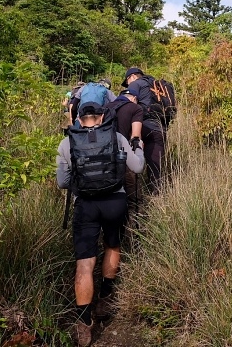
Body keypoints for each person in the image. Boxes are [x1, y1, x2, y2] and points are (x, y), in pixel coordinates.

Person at [55, 101, 144, 346]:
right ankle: (105, 298)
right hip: (115, 202)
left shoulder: (67, 143)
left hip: (86, 206)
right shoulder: (116, 138)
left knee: (85, 263)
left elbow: (62, 183)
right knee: (112, 245)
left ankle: (84, 323)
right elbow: (138, 166)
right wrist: (139, 148)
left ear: (79, 118)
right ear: (103, 115)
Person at [121, 67, 167, 194]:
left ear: (132, 76)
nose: (128, 84)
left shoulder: (136, 83)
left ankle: (135, 197)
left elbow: (128, 101)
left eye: (127, 81)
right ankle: (157, 196)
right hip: (159, 128)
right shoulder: (157, 86)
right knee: (155, 166)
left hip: (141, 127)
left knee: (131, 164)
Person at [104, 84, 144, 224]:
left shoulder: (107, 107)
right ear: (133, 98)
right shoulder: (136, 108)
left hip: (106, 156)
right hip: (125, 155)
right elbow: (135, 136)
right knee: (131, 189)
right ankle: (132, 224)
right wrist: (138, 149)